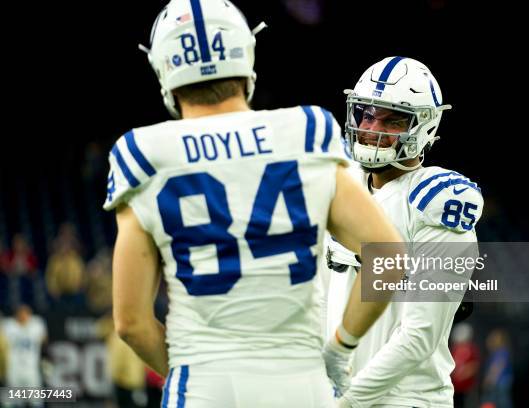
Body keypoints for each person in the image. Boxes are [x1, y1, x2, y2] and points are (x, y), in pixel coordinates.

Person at [104, 1, 404, 407]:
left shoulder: (144, 153)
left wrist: (191, 369)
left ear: (163, 68)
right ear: (245, 53)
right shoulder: (305, 131)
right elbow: (389, 256)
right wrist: (339, 348)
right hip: (301, 384)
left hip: (203, 386)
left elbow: (132, 324)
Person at [323, 56, 484, 407]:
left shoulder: (437, 201)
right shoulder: (344, 184)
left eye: (393, 120)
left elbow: (419, 337)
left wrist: (347, 402)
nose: (373, 127)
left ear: (424, 126)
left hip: (404, 399)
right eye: (367, 114)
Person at [1, 305, 47, 408]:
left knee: (36, 402)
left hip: (31, 371)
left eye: (26, 313)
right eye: (21, 313)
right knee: (10, 402)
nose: (23, 315)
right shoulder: (8, 325)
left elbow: (45, 340)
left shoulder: (37, 324)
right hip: (13, 370)